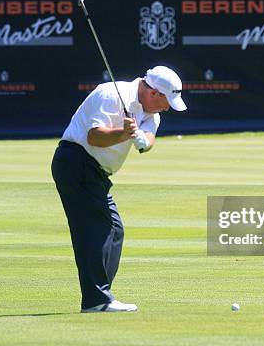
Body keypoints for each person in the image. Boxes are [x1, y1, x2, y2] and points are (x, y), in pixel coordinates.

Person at [51, 66, 187, 313]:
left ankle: (101, 296)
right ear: (154, 92)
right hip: (76, 161)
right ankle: (96, 300)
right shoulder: (111, 94)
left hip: (97, 173)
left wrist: (143, 140)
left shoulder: (151, 111)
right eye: (167, 101)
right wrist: (123, 133)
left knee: (114, 230)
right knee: (97, 229)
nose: (168, 107)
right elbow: (95, 137)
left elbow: (148, 140)